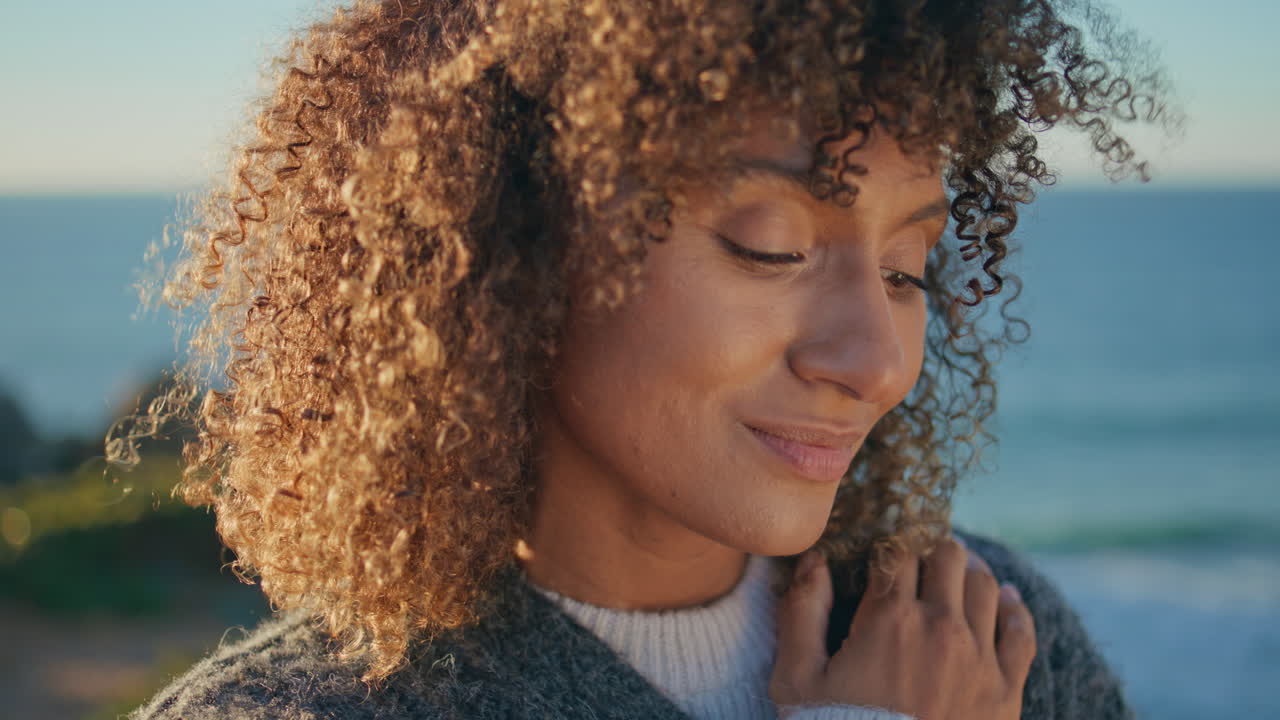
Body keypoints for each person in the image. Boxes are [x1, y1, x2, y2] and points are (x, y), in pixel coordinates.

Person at [117, 0, 1173, 717]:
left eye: (906, 270)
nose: (875, 363)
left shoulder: (980, 639)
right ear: (510, 243)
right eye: (769, 247)